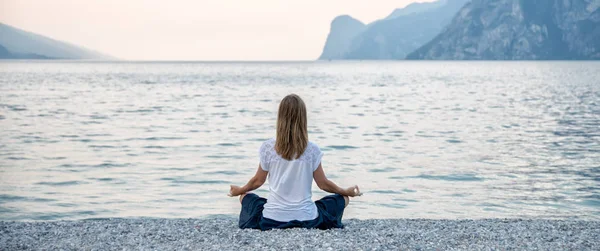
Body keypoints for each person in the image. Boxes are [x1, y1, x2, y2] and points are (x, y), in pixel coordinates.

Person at [228, 94, 362, 231]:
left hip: (272, 219)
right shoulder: (312, 149)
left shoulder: (267, 148)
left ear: (280, 118)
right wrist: (345, 191)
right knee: (343, 199)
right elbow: (323, 184)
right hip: (307, 219)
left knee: (245, 197)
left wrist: (240, 190)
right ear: (303, 119)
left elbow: (257, 181)